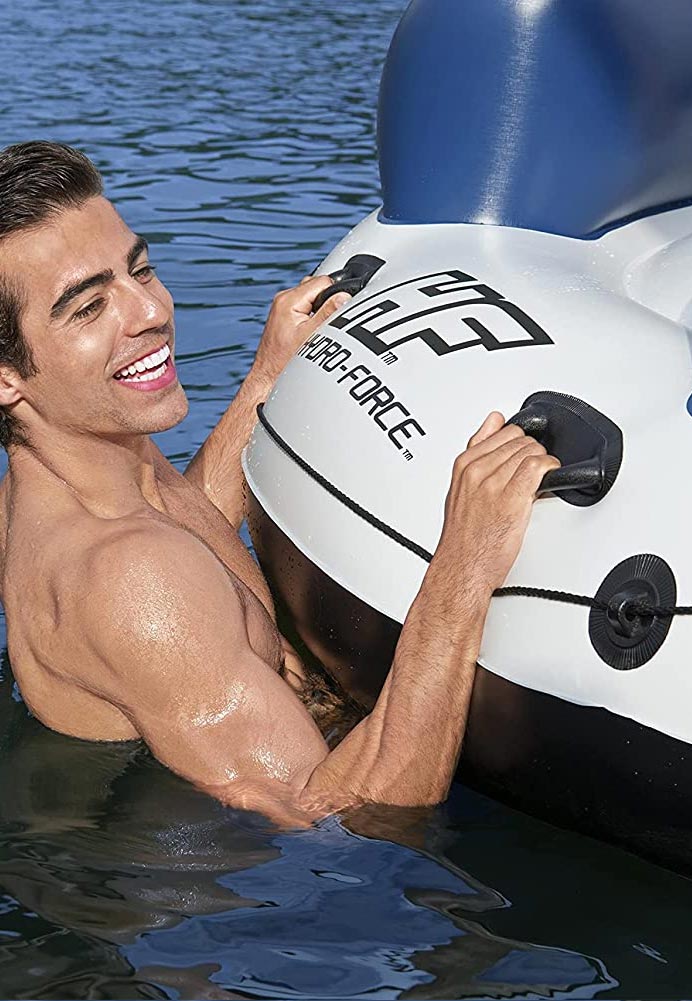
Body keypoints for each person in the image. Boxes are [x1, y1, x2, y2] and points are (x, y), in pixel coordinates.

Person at [0, 141, 559, 825]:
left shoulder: (83, 464)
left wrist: (267, 376)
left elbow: (180, 533)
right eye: (88, 308)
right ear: (7, 378)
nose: (148, 312)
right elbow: (333, 814)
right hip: (263, 864)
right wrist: (465, 564)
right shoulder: (128, 579)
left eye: (139, 270)